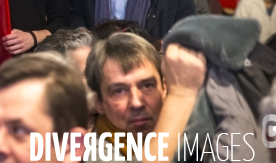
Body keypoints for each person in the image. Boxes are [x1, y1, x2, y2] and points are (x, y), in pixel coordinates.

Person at [85, 32, 206, 162]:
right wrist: (182, 95)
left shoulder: (195, 136)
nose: (136, 103)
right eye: (119, 91)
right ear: (99, 103)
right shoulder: (93, 152)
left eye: (147, 86)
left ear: (164, 88)